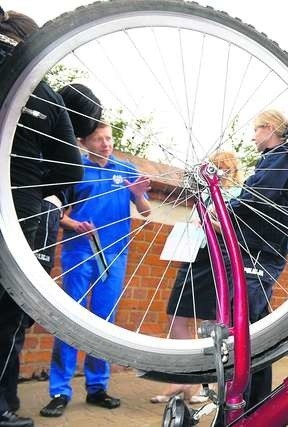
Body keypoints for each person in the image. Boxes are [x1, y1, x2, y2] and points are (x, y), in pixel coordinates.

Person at [155, 110, 288, 408]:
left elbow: (255, 198)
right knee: (252, 328)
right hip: (256, 249)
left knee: (245, 328)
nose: (252, 136)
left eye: (256, 129)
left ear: (270, 128)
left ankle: (243, 405)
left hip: (261, 253)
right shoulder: (275, 159)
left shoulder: (281, 157)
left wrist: (224, 210)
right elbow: (256, 207)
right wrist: (225, 222)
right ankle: (252, 404)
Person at [0, 9, 83, 427]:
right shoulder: (42, 89)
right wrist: (31, 181)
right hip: (21, 211)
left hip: (26, 207)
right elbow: (70, 169)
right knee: (7, 312)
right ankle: (2, 404)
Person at [40, 121, 152, 417]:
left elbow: (146, 212)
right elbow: (58, 213)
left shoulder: (126, 169)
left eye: (109, 138)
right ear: (84, 142)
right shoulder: (75, 169)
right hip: (80, 251)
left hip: (115, 255)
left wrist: (139, 194)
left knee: (104, 322)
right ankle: (60, 390)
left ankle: (97, 387)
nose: (106, 144)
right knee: (70, 320)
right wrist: (74, 224)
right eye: (99, 139)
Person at [151, 150, 243, 404]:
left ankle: (207, 382)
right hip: (193, 256)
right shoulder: (204, 195)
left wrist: (206, 222)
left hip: (215, 259)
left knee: (210, 323)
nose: (215, 172)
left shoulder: (236, 197)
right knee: (176, 316)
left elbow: (231, 231)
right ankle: (183, 378)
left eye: (219, 167)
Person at [33, 83, 103, 275]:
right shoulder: (54, 148)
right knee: (32, 276)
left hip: (47, 213)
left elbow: (61, 205)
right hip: (42, 212)